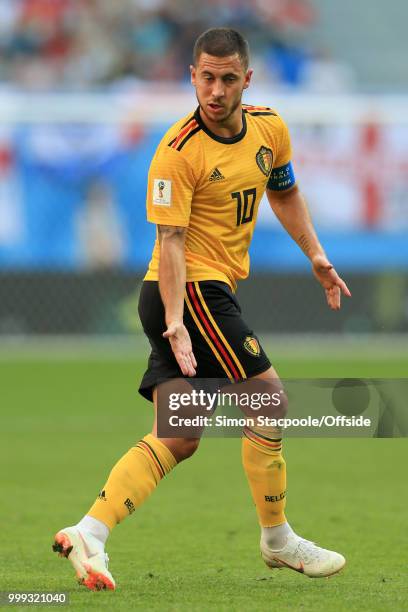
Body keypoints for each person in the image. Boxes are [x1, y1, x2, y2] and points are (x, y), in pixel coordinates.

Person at [53, 27, 351, 591]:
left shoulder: (270, 128)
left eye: (228, 78)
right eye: (206, 78)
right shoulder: (177, 152)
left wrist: (316, 254)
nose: (216, 90)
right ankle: (278, 540)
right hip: (187, 291)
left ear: (247, 79)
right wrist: (174, 322)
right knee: (270, 399)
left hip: (202, 295)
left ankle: (90, 531)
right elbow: (169, 243)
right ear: (192, 76)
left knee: (181, 434)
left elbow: (283, 191)